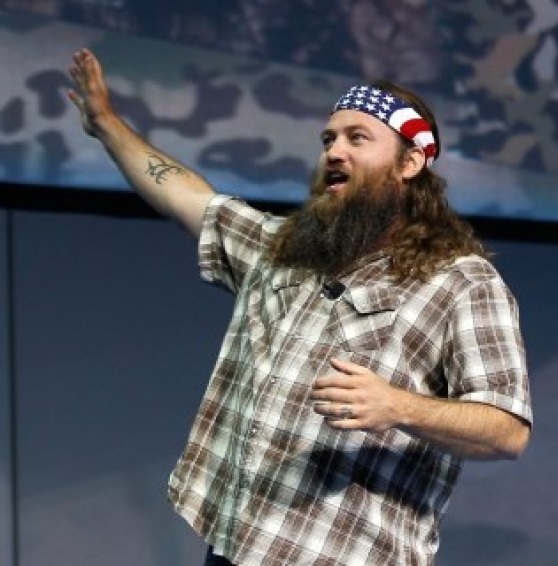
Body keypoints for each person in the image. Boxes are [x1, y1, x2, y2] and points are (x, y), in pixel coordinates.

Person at [67, 49, 532, 565]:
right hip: (237, 547)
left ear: (411, 162)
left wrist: (398, 406)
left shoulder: (460, 281)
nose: (335, 151)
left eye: (359, 138)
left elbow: (506, 429)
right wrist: (106, 123)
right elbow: (185, 196)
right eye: (329, 139)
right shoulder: (282, 250)